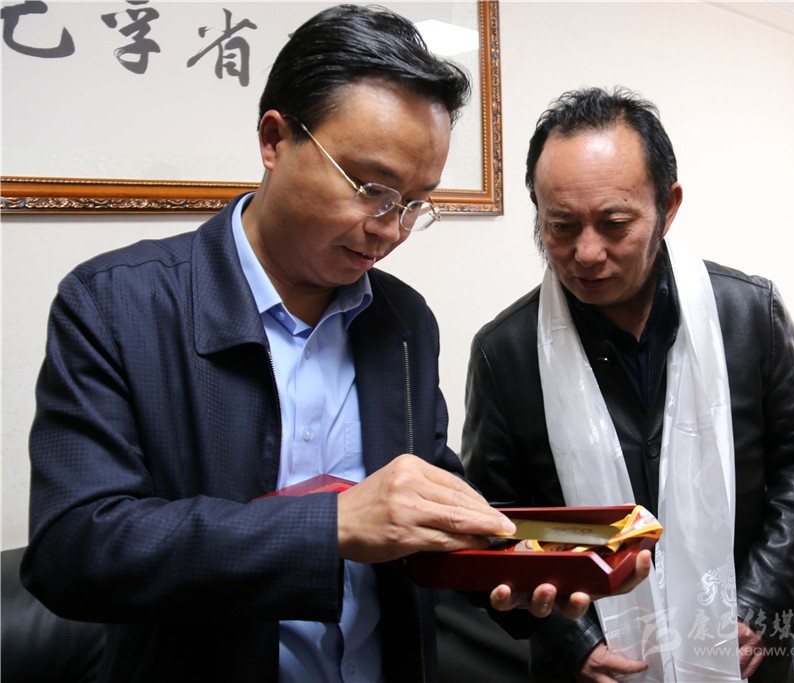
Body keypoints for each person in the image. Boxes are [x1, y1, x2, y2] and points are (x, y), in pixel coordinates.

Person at [22, 10, 651, 683]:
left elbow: (426, 492)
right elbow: (73, 550)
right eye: (372, 189)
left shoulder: (402, 321)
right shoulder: (117, 304)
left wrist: (534, 584)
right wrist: (331, 526)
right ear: (275, 139)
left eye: (414, 203)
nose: (391, 229)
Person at [462, 86, 794, 683]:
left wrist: (758, 603)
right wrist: (572, 644)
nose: (587, 253)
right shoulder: (504, 351)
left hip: (740, 647)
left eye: (615, 224)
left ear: (668, 207)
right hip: (592, 664)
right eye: (561, 225)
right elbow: (494, 522)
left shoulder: (748, 313)